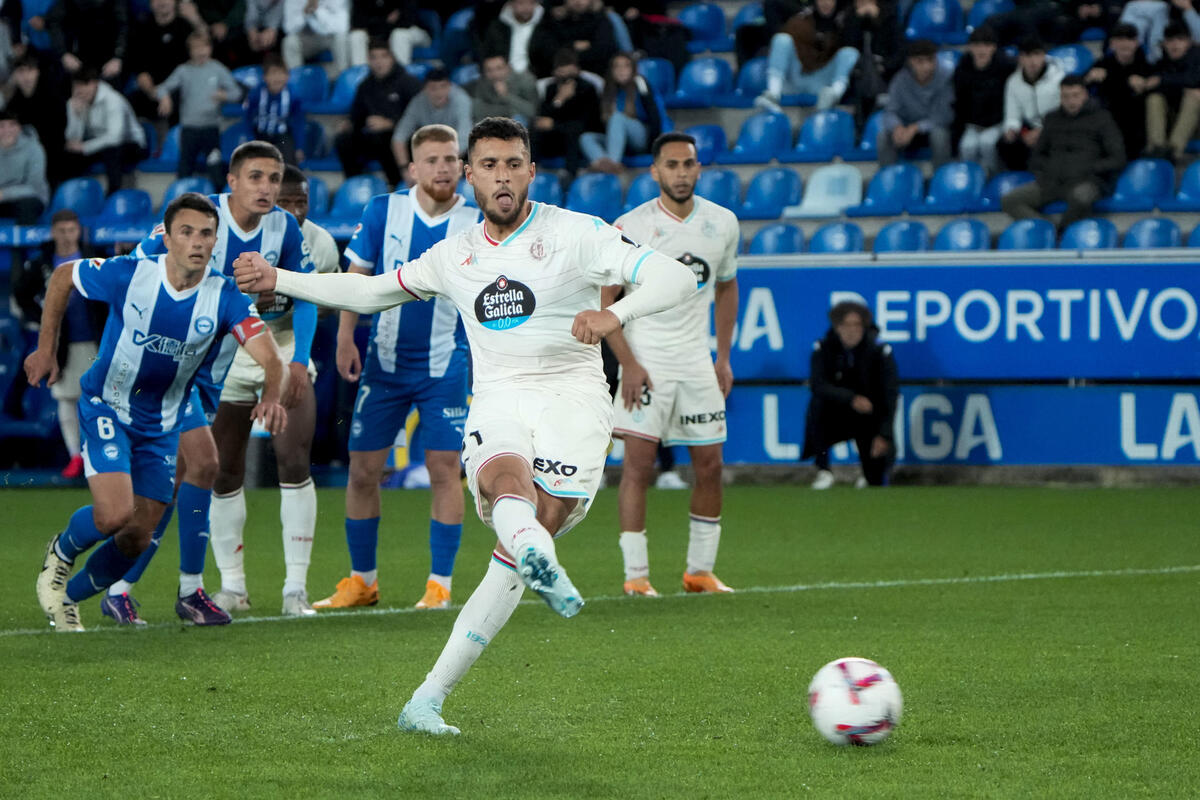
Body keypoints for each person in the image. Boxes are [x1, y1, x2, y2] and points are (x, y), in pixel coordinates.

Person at [233, 116, 696, 734]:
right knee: (504, 484)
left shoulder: (577, 233)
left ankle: (429, 693)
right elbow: (371, 291)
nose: (502, 176)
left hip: (575, 398)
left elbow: (677, 275)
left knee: (527, 534)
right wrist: (278, 279)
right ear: (471, 177)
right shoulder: (455, 255)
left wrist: (618, 316)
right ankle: (530, 562)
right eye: (490, 166)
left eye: (513, 164)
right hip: (499, 396)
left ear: (531, 171)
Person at [29, 193, 288, 633]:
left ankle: (68, 597)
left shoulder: (224, 295)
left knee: (136, 537)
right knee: (114, 515)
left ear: (215, 239)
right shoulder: (131, 274)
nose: (197, 242)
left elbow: (271, 358)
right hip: (107, 405)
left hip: (163, 422)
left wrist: (272, 395)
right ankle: (62, 552)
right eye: (186, 232)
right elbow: (62, 276)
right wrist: (45, 348)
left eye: (206, 233)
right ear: (166, 237)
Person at [133, 141, 319, 620]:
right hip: (217, 354)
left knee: (294, 456)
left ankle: (296, 589)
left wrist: (298, 362)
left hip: (276, 345)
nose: (267, 188)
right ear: (231, 181)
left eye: (274, 179)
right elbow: (141, 266)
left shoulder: (285, 226)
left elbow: (309, 294)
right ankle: (232, 586)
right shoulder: (200, 221)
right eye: (256, 177)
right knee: (221, 467)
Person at [315, 124, 480, 612]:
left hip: (444, 366)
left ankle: (439, 585)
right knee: (364, 471)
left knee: (443, 469)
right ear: (412, 167)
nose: (443, 168)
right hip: (383, 367)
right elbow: (356, 278)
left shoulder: (476, 221)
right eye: (432, 160)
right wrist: (346, 336)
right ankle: (362, 581)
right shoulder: (383, 211)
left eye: (451, 159)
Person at [603, 131, 739, 598]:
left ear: (699, 169)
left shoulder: (723, 223)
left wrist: (722, 356)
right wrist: (629, 365)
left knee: (711, 464)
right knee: (638, 466)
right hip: (647, 358)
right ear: (654, 171)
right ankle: (636, 577)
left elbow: (726, 286)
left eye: (689, 164)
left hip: (696, 362)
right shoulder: (630, 226)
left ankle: (699, 572)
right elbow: (607, 304)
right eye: (672, 165)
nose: (681, 173)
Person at [11, 210, 104, 480]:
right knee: (66, 397)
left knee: (100, 399)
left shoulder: (94, 256)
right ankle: (76, 456)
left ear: (79, 231)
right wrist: (41, 321)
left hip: (97, 338)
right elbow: (22, 295)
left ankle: (97, 456)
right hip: (62, 343)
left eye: (71, 230)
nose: (66, 236)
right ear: (53, 232)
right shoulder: (42, 263)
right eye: (61, 231)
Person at [1001, 75, 1126, 229]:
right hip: (1051, 181)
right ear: (1060, 97)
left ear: (1085, 95)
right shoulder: (1052, 119)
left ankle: (1062, 237)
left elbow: (1118, 158)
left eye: (1075, 95)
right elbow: (1037, 156)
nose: (1071, 101)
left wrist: (1090, 169)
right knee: (1010, 200)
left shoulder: (1102, 119)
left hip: (1087, 180)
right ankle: (1047, 230)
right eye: (1066, 96)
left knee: (1082, 197)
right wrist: (1047, 170)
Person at [803, 301, 898, 489]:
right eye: (846, 325)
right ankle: (824, 470)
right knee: (817, 406)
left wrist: (884, 434)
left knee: (875, 479)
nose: (851, 330)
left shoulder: (879, 352)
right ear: (837, 327)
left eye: (857, 325)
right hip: (835, 415)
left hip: (869, 418)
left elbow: (890, 394)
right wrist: (850, 398)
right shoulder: (823, 349)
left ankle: (869, 471)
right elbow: (818, 385)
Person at [157, 31, 243, 184]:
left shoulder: (217, 68)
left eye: (204, 47)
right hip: (189, 130)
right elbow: (162, 88)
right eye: (196, 48)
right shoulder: (183, 71)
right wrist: (165, 98)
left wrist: (224, 95)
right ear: (190, 51)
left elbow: (236, 93)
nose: (200, 51)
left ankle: (219, 204)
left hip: (211, 128)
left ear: (210, 48)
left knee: (215, 170)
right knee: (184, 171)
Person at [335, 38, 422, 187]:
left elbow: (420, 119)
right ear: (368, 60)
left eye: (383, 56)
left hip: (403, 138)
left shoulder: (409, 83)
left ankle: (396, 184)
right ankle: (354, 185)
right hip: (374, 137)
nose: (379, 62)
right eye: (374, 57)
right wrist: (349, 124)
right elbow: (357, 115)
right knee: (344, 140)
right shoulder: (365, 86)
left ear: (392, 57)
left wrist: (391, 124)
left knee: (387, 138)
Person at [754, 0, 861, 113]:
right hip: (797, 77)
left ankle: (834, 94)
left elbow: (851, 44)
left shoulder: (845, 22)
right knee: (781, 39)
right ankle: (773, 94)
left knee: (850, 53)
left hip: (822, 83)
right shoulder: (803, 18)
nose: (826, 3)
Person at [62, 68, 148, 191]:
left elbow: (115, 137)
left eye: (84, 85)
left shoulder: (113, 100)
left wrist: (85, 147)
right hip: (99, 144)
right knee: (69, 154)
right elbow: (73, 140)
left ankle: (113, 194)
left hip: (131, 144)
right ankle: (73, 194)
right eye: (76, 87)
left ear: (94, 84)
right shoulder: (74, 101)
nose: (79, 91)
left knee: (112, 151)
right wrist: (76, 116)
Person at [581, 52, 663, 174]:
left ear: (633, 69)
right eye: (617, 67)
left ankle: (612, 163)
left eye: (626, 66)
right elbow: (598, 125)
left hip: (640, 137)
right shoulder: (606, 90)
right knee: (586, 137)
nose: (621, 70)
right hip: (616, 141)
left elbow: (655, 117)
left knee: (617, 118)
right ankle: (603, 163)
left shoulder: (640, 84)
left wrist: (654, 147)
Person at [877, 38, 953, 167]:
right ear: (910, 62)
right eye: (920, 62)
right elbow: (890, 111)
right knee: (884, 136)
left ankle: (939, 179)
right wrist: (897, 127)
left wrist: (915, 128)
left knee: (939, 135)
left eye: (930, 60)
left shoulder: (946, 78)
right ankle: (887, 180)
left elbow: (943, 116)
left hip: (932, 130)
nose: (926, 66)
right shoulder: (900, 80)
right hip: (906, 130)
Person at [530, 48, 602, 179]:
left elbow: (587, 122)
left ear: (576, 69)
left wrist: (555, 125)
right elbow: (543, 116)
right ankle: (531, 169)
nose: (565, 76)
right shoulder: (551, 88)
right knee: (535, 128)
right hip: (555, 136)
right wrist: (559, 100)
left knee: (573, 130)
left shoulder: (587, 88)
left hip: (578, 136)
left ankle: (569, 174)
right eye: (561, 71)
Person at [1086, 23, 1153, 161]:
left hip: (1136, 124)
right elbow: (1078, 86)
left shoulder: (1145, 66)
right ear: (1112, 44)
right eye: (1120, 40)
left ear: (1137, 43)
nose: (1125, 44)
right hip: (1109, 120)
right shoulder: (1103, 63)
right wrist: (1089, 78)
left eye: (1129, 39)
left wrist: (1145, 85)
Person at [953, 26, 1014, 175]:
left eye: (986, 45)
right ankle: (971, 180)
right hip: (972, 124)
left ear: (993, 47)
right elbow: (960, 104)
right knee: (967, 146)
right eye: (977, 45)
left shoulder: (1006, 67)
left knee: (987, 143)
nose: (981, 50)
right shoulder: (962, 69)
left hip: (998, 122)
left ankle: (992, 178)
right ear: (970, 47)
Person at [998, 36, 1064, 172]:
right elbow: (1012, 114)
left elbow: (1063, 112)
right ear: (1020, 58)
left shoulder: (1059, 79)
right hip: (1029, 128)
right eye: (1027, 55)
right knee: (1005, 143)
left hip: (1055, 128)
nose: (1032, 61)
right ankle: (1019, 179)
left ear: (1044, 56)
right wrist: (1011, 130)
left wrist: (1042, 131)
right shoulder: (1013, 82)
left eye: (1037, 54)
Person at [390, 69, 473, 175]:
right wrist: (405, 169)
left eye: (443, 87)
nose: (439, 93)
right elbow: (399, 137)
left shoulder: (462, 100)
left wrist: (442, 165)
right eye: (433, 88)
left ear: (450, 87)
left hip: (457, 153)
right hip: (430, 151)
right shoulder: (417, 102)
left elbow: (464, 139)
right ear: (425, 89)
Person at [125, 0, 197, 122]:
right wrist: (158, 94)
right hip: (152, 90)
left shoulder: (186, 27)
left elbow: (198, 62)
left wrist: (195, 19)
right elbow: (140, 71)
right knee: (130, 103)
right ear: (150, 3)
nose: (162, 2)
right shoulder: (140, 27)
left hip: (182, 89)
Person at [1142, 21, 1200, 161]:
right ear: (1164, 44)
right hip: (1173, 119)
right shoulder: (1163, 63)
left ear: (1189, 42)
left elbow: (1191, 80)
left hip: (1196, 122)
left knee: (1193, 96)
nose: (1174, 45)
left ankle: (1174, 151)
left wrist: (1162, 81)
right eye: (1170, 41)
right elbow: (1152, 86)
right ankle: (1156, 147)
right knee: (1154, 98)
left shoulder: (1198, 57)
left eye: (1179, 40)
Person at [244, 54, 306, 165]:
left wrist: (299, 148)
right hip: (260, 134)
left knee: (287, 158)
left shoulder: (293, 96)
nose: (277, 78)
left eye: (281, 73)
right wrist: (249, 139)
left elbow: (299, 122)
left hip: (281, 135)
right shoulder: (256, 93)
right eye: (273, 73)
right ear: (265, 77)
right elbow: (248, 117)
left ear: (287, 76)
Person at [529, 0, 618, 78]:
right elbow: (543, 49)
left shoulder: (600, 20)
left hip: (593, 74)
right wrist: (571, 45)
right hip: (554, 75)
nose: (578, 1)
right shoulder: (552, 21)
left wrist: (571, 61)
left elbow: (603, 50)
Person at [45, 0, 129, 80]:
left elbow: (124, 25)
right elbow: (54, 22)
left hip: (109, 61)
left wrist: (118, 57)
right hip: (75, 60)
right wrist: (63, 53)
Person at [0, 111, 49, 223]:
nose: (7, 131)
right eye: (1, 126)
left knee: (27, 205)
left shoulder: (34, 149)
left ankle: (23, 239)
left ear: (19, 128)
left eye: (12, 125)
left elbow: (34, 188)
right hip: (2, 200)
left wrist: (4, 194)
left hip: (30, 198)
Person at [348, 0, 430, 66]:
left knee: (400, 35)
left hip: (416, 32)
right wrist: (386, 21)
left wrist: (374, 22)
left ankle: (399, 80)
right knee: (356, 36)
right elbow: (357, 22)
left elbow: (407, 21)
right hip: (380, 33)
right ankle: (359, 79)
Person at [282, 0, 350, 74]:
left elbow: (343, 27)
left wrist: (317, 10)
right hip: (306, 39)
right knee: (289, 41)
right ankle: (297, 79)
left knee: (341, 37)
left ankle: (342, 76)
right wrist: (305, 13)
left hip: (329, 38)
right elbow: (288, 29)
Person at [470, 52, 538, 125]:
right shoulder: (483, 82)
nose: (495, 74)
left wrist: (507, 96)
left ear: (508, 67)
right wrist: (508, 110)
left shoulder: (525, 80)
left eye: (499, 68)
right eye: (489, 70)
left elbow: (532, 111)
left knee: (518, 119)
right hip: (492, 122)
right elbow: (477, 110)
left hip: (518, 124)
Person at [481, 0, 544, 75]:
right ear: (511, 4)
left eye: (531, 3)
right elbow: (489, 54)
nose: (526, 8)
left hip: (537, 75)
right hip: (503, 75)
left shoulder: (546, 25)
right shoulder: (497, 27)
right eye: (521, 3)